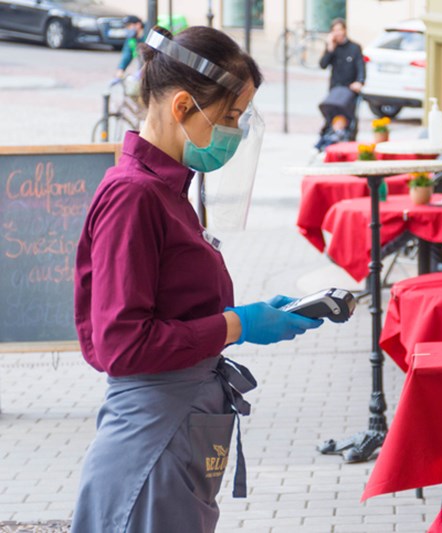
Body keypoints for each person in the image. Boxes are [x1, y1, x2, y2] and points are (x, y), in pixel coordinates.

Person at [71, 26, 322, 532]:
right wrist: (237, 324)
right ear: (183, 106)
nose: (234, 133)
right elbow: (122, 345)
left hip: (173, 431)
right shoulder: (134, 196)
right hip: (152, 441)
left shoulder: (166, 191)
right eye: (229, 117)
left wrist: (239, 320)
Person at [319, 17, 365, 95]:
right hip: (335, 88)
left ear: (344, 30)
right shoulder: (332, 46)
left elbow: (360, 66)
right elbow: (323, 65)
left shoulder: (355, 47)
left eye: (339, 30)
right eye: (334, 30)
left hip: (350, 88)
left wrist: (359, 81)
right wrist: (330, 49)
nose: (337, 33)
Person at [115, 15, 146, 79]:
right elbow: (127, 55)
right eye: (126, 27)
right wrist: (120, 70)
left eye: (129, 26)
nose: (127, 29)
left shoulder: (147, 36)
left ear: (138, 25)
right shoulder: (131, 39)